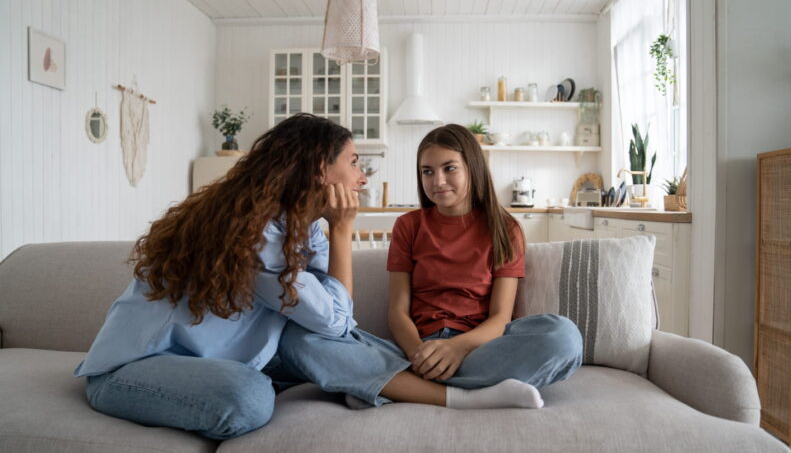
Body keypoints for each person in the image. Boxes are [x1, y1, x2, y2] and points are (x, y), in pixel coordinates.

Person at [75, 115, 539, 441]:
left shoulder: (305, 230)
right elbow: (335, 319)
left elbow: (333, 324)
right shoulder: (254, 235)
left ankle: (370, 384)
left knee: (307, 342)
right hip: (134, 370)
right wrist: (344, 230)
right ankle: (450, 398)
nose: (362, 176)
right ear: (321, 169)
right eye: (355, 162)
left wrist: (331, 233)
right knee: (251, 399)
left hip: (231, 357)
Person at [385, 124, 583, 394]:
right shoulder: (408, 226)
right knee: (328, 344)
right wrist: (420, 355)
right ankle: (460, 388)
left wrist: (456, 348)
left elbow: (500, 316)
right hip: (421, 348)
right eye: (427, 171)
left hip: (478, 349)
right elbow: (398, 311)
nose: (437, 181)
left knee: (564, 335)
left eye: (449, 168)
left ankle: (408, 387)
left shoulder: (505, 228)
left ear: (473, 168)